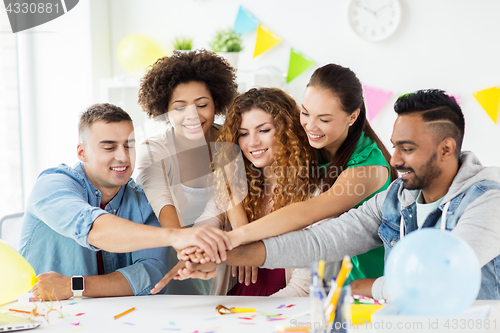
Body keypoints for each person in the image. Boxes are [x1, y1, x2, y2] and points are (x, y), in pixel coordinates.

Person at [179, 89, 500, 300]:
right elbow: (319, 242)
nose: (395, 159)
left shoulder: (488, 199)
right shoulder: (394, 198)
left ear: (446, 148)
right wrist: (221, 254)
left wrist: (361, 287)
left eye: (408, 148)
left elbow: (438, 279)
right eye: (395, 146)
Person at [19, 103, 231, 300]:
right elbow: (95, 229)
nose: (123, 157)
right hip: (39, 314)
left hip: (115, 318)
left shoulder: (143, 201)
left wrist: (74, 286)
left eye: (129, 146)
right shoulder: (52, 186)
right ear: (82, 152)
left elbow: (151, 274)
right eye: (109, 148)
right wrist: (176, 235)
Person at [221, 63, 396, 282]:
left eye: (324, 119)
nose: (310, 126)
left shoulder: (368, 169)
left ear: (352, 117)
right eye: (305, 113)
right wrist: (238, 225)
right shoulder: (311, 142)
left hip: (361, 281)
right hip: (318, 276)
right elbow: (228, 166)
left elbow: (308, 211)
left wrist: (235, 239)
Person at [134, 49, 238, 295]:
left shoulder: (232, 141)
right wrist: (187, 250)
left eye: (202, 105)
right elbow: (164, 207)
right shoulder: (153, 150)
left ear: (216, 102)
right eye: (179, 108)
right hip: (177, 249)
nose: (192, 115)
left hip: (225, 247)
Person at [210, 87, 317, 296]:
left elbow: (303, 286)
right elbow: (208, 223)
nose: (252, 142)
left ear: (288, 132)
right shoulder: (235, 186)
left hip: (281, 308)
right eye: (243, 134)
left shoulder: (313, 192)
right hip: (235, 304)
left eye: (264, 130)